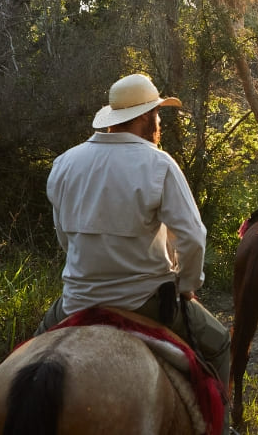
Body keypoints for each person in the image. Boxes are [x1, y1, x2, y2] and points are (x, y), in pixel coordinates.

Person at [35, 73, 231, 394]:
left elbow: (64, 238)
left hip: (78, 300)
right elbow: (193, 236)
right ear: (144, 117)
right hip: (145, 301)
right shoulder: (159, 164)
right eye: (157, 114)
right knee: (220, 344)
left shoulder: (64, 163)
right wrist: (186, 286)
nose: (159, 123)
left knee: (30, 356)